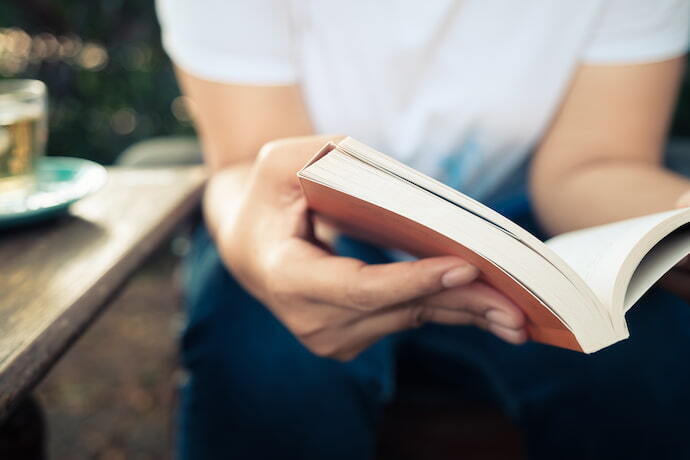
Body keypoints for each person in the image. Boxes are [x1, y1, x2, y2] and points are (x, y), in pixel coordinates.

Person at [155, 1, 690, 458]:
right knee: (262, 360)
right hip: (315, 218)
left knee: (647, 361)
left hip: (522, 230)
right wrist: (267, 258)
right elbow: (250, 161)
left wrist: (674, 221)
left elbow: (594, 164)